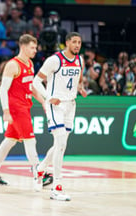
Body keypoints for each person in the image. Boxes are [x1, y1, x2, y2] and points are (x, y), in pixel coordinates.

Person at [0, 34, 45, 192]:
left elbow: (31, 88)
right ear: (24, 47)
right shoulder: (13, 65)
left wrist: (43, 102)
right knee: (30, 140)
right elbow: (3, 89)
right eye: (32, 47)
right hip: (16, 107)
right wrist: (5, 111)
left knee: (9, 141)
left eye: (35, 47)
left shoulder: (30, 64)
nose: (35, 50)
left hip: (25, 105)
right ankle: (38, 175)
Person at [32, 32, 87, 201]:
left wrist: (81, 88)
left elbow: (78, 79)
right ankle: (56, 186)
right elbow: (35, 82)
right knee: (61, 142)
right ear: (66, 43)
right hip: (55, 104)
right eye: (74, 42)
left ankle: (40, 169)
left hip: (71, 104)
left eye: (79, 42)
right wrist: (49, 98)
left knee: (60, 144)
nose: (77, 45)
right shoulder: (54, 60)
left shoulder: (80, 60)